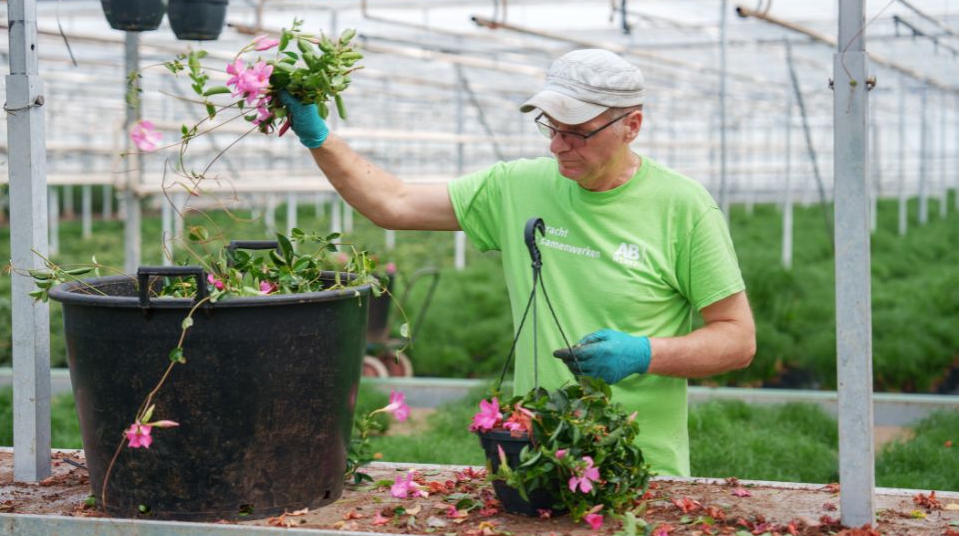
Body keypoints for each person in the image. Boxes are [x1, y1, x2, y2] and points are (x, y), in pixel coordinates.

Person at [279, 49, 755, 477]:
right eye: (551, 127)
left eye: (578, 133)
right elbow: (394, 203)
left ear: (632, 125)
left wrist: (645, 353)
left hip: (638, 466)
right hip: (531, 454)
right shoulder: (517, 187)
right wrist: (319, 136)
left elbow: (737, 338)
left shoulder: (684, 208)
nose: (557, 146)